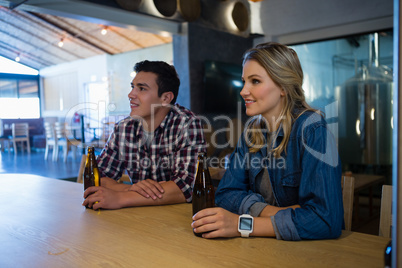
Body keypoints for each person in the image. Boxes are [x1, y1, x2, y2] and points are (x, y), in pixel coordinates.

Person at [191, 42, 343, 241]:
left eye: (255, 81)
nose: (243, 91)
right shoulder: (252, 131)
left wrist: (241, 224)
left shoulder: (313, 130)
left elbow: (325, 221)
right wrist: (272, 212)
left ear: (283, 87)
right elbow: (225, 194)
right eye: (244, 81)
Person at [83, 60, 206, 210]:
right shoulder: (123, 128)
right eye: (133, 87)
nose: (131, 94)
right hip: (136, 216)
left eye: (141, 89)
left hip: (176, 219)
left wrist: (121, 197)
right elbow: (98, 176)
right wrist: (130, 189)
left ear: (166, 98)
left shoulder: (186, 124)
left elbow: (186, 187)